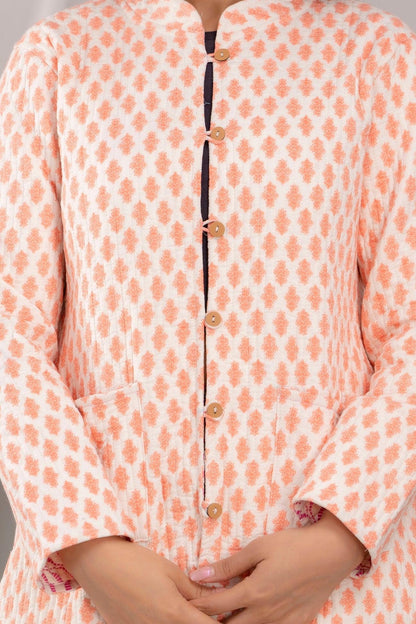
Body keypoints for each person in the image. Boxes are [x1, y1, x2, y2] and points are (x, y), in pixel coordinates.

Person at [0, 0, 415, 622]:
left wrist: (339, 536)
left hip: (338, 591)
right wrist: (89, 548)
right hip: (93, 592)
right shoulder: (59, 56)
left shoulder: (374, 54)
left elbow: (410, 327)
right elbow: (10, 328)